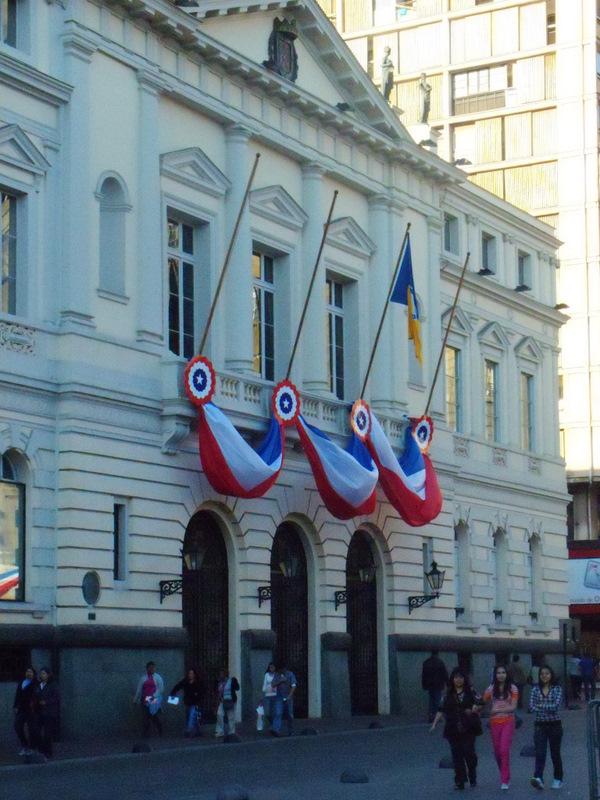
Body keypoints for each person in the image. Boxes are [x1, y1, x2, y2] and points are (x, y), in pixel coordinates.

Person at [430, 667, 483, 790]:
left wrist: (476, 708)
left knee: (469, 752)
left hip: (469, 727)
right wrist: (434, 724)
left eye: (461, 677)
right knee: (457, 755)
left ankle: (472, 773)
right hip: (452, 728)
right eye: (456, 677)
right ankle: (460, 780)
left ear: (465, 679)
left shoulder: (471, 691)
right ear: (452, 679)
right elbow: (441, 709)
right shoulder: (448, 694)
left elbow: (481, 703)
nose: (458, 680)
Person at [482, 664, 518, 790]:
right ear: (495, 675)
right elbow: (482, 701)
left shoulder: (513, 688)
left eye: (503, 672)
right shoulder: (491, 688)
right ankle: (504, 772)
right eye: (498, 673)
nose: (501, 675)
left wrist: (496, 710)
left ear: (507, 674)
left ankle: (505, 779)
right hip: (494, 723)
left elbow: (513, 706)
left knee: (504, 749)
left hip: (508, 721)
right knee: (497, 752)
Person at [529, 664, 564, 790]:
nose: (544, 676)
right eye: (542, 674)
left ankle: (558, 778)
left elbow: (555, 707)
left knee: (555, 753)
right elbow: (531, 707)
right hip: (540, 726)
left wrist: (540, 706)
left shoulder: (557, 689)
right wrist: (544, 706)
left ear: (551, 675)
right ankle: (538, 778)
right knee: (540, 753)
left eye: (547, 673)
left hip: (555, 725)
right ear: (539, 676)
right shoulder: (535, 689)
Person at [169, 668, 205, 737]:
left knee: (192, 715)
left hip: (195, 702)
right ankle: (198, 731)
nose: (190, 675)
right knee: (192, 716)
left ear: (194, 675)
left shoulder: (198, 682)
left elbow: (202, 690)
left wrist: (198, 695)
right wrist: (173, 692)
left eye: (192, 674)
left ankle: (188, 731)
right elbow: (178, 686)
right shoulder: (185, 681)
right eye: (189, 673)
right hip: (188, 702)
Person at [133, 660, 164, 738]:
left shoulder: (158, 677)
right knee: (145, 716)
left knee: (153, 715)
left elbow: (161, 689)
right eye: (150, 668)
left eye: (153, 668)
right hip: (144, 699)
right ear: (147, 669)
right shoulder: (143, 678)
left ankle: (159, 728)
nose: (152, 669)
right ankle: (146, 733)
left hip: (152, 698)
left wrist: (154, 696)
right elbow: (139, 690)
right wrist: (135, 700)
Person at [34, 667, 60, 759]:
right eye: (41, 673)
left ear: (48, 675)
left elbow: (56, 698)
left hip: (49, 712)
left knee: (47, 734)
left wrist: (46, 702)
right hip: (39, 712)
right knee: (36, 731)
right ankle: (41, 749)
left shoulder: (53, 685)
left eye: (44, 673)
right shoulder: (39, 685)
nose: (42, 675)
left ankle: (48, 752)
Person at [13, 666, 37, 756]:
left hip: (31, 710)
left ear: (34, 674)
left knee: (32, 729)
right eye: (27, 671)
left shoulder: (36, 684)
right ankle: (25, 745)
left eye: (30, 672)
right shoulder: (21, 682)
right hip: (22, 709)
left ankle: (32, 747)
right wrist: (15, 706)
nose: (28, 673)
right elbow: (17, 695)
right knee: (17, 726)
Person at [422, 650, 448, 723]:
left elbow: (424, 675)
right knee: (437, 700)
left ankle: (431, 716)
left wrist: (424, 685)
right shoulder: (440, 662)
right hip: (438, 684)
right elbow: (444, 673)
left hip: (430, 685)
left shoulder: (426, 662)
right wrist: (448, 683)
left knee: (431, 700)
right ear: (437, 654)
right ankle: (438, 717)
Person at [271, 663, 297, 737]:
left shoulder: (290, 674)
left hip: (288, 696)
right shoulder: (277, 675)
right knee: (278, 713)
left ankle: (290, 730)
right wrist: (280, 681)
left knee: (289, 715)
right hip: (279, 697)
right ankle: (276, 729)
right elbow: (273, 684)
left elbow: (294, 686)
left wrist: (290, 695)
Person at [215, 668, 240, 739]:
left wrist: (235, 683)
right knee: (219, 714)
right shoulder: (219, 682)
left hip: (231, 700)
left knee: (231, 716)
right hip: (222, 700)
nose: (221, 675)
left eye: (222, 674)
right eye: (220, 674)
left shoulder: (231, 680)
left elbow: (237, 688)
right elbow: (218, 691)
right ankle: (220, 731)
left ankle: (231, 731)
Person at [261, 662, 277, 728]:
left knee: (274, 710)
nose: (271, 669)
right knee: (268, 711)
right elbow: (265, 684)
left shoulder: (277, 675)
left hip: (275, 694)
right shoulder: (266, 675)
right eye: (270, 667)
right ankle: (271, 723)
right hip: (268, 694)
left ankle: (273, 725)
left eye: (273, 667)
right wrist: (263, 691)